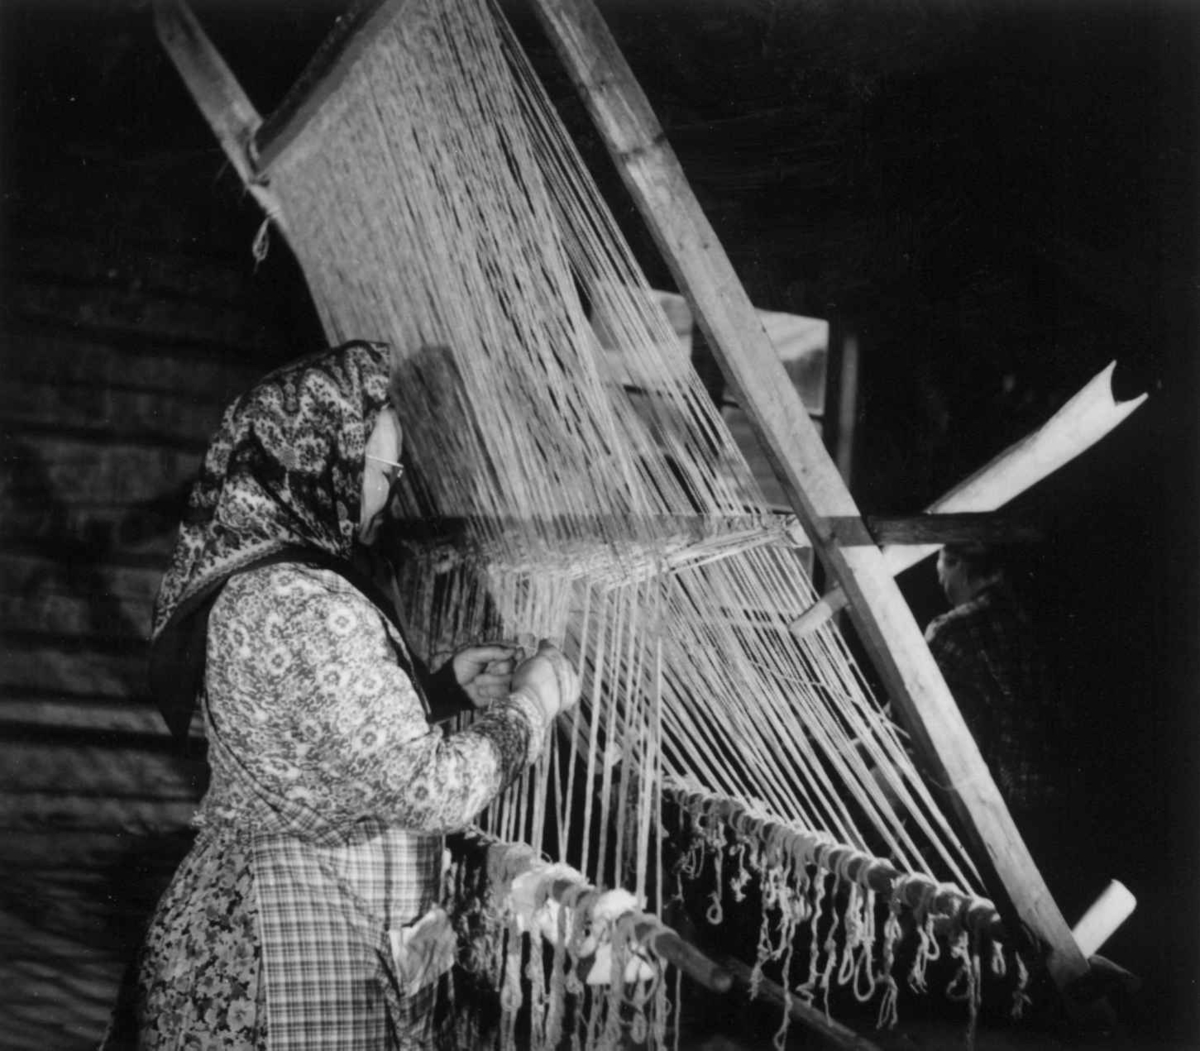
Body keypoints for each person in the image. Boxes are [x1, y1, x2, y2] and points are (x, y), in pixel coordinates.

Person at [101, 340, 578, 1050]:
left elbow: (314, 741)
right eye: (385, 471)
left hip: (255, 936)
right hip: (277, 965)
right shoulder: (303, 600)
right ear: (321, 463)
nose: (389, 494)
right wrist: (532, 706)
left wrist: (440, 690)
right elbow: (429, 790)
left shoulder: (261, 583)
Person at [924, 542, 1062, 816]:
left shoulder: (950, 631)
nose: (944, 587)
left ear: (959, 566)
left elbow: (911, 711)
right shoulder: (1040, 608)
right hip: (1066, 780)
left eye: (942, 575)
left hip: (1000, 799)